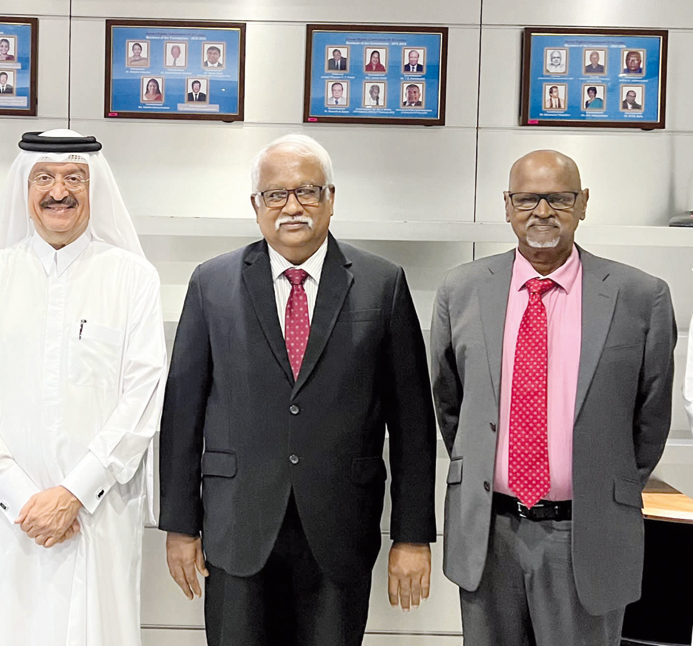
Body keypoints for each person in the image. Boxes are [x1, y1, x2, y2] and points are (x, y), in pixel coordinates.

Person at [159, 134, 437, 646]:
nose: (292, 207)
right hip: (236, 524)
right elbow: (182, 415)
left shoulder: (382, 283)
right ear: (255, 205)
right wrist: (179, 524)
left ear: (331, 198)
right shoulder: (211, 283)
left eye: (308, 191)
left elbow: (413, 423)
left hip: (339, 527)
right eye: (275, 194)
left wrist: (411, 534)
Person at [430, 149, 676, 646]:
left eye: (559, 198)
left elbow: (650, 419)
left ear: (583, 203)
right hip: (489, 535)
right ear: (507, 206)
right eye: (527, 199)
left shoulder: (640, 296)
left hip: (586, 533)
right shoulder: (461, 290)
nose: (542, 212)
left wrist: (599, 479)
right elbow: (450, 404)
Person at [0, 129, 166, 645]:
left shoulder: (133, 279)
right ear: (25, 189)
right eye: (43, 178)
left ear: (97, 190)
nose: (58, 191)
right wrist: (23, 499)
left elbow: (141, 399)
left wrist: (73, 492)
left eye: (74, 178)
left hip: (95, 514)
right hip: (1, 519)